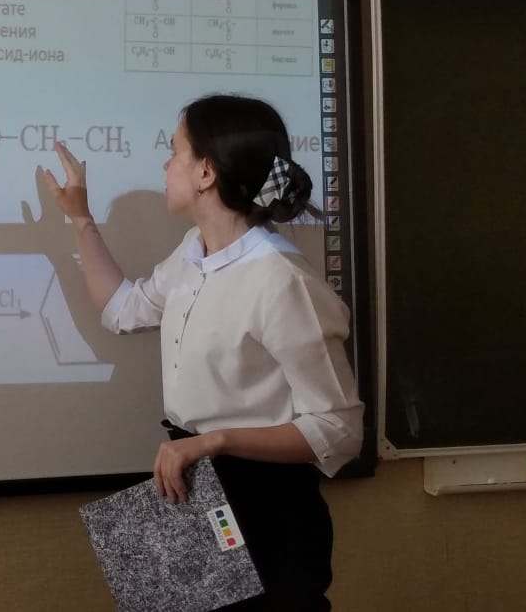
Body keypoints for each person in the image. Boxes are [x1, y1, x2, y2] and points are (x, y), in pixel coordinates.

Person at [40, 93, 364, 611]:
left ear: (206, 172)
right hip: (197, 485)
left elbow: (339, 429)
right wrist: (80, 219)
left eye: (175, 152)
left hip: (267, 504)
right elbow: (123, 310)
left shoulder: (281, 279)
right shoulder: (194, 252)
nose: (166, 165)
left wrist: (216, 441)